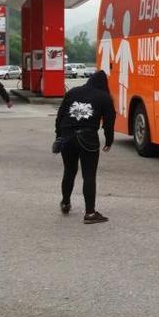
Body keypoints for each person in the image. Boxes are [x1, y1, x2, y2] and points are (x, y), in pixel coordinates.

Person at [55, 70, 115, 224]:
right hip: (87, 138)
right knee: (89, 175)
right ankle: (89, 213)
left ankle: (66, 202)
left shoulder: (73, 92)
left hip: (67, 136)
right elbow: (109, 121)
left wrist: (58, 136)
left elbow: (60, 115)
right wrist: (109, 140)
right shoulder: (104, 97)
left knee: (69, 170)